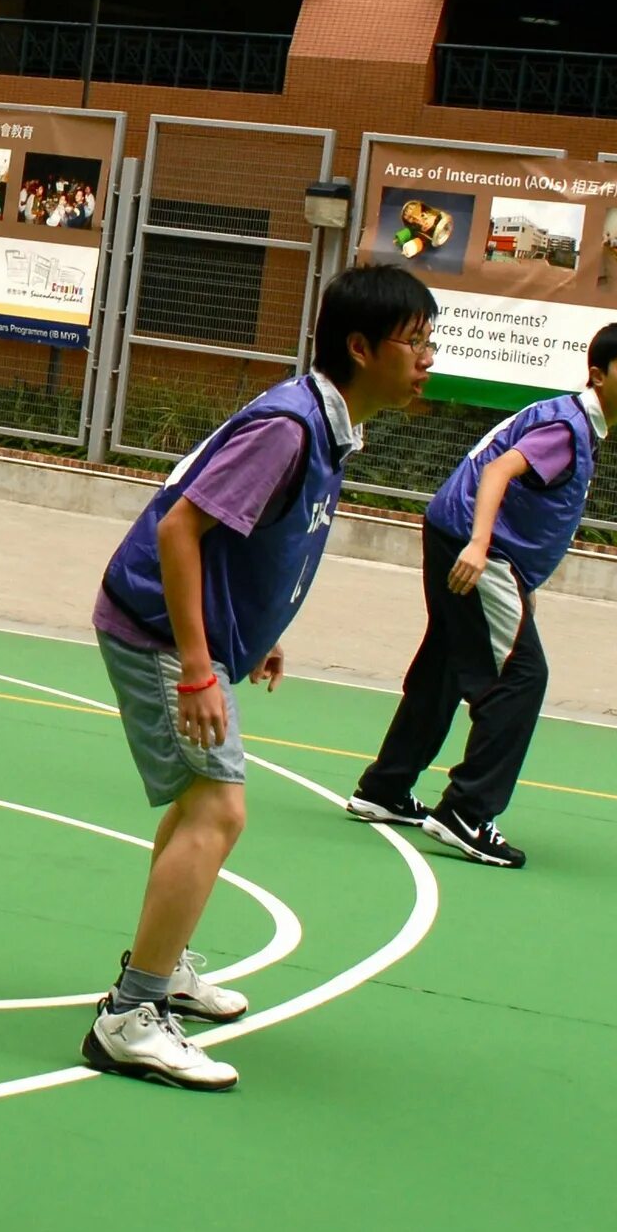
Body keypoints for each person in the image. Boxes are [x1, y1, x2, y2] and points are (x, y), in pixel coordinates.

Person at [82, 264, 438, 1092]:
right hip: (155, 628)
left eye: (431, 341)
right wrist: (201, 668)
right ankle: (130, 1017)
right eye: (413, 342)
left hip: (186, 630)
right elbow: (181, 530)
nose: (428, 358)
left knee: (197, 804)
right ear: (359, 347)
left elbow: (256, 539)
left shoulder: (329, 422)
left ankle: (159, 971)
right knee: (219, 805)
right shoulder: (290, 426)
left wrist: (258, 632)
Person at [346, 321, 617, 868]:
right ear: (597, 374)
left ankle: (385, 788)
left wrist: (514, 578)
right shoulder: (567, 429)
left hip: (458, 534)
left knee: (446, 663)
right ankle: (467, 812)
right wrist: (480, 544)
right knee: (522, 676)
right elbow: (499, 470)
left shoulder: (571, 423)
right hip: (474, 546)